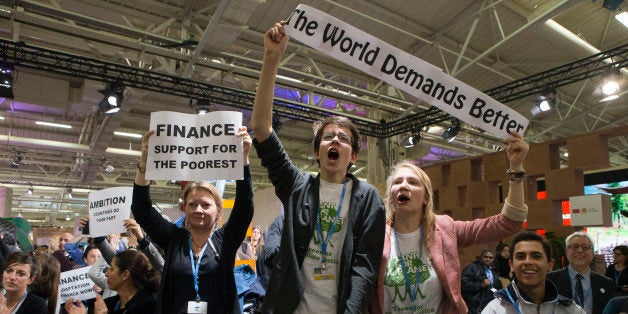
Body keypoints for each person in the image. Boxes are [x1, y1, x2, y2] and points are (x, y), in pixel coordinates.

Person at [251, 21, 386, 313]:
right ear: (316, 152)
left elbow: (364, 266)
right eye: (328, 137)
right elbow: (261, 129)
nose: (335, 140)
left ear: (353, 156)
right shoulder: (297, 187)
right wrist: (272, 58)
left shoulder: (368, 199)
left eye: (343, 138)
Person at [368, 129, 529, 313]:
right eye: (397, 182)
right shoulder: (375, 235)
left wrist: (516, 169)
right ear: (390, 197)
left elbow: (508, 223)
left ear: (426, 198)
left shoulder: (444, 229)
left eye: (413, 182)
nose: (403, 185)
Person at [131, 126, 254, 313]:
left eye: (206, 205)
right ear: (185, 208)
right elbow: (141, 209)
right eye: (192, 204)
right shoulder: (174, 238)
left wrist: (243, 160)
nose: (198, 210)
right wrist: (145, 163)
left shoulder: (225, 240)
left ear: (218, 211)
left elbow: (245, 207)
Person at [482, 231, 585, 313]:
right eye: (521, 257)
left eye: (536, 256)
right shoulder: (494, 310)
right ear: (511, 265)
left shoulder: (572, 310)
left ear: (550, 264)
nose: (527, 262)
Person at [65, 250, 159, 314]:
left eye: (112, 269)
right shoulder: (110, 303)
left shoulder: (149, 307)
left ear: (125, 275)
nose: (106, 273)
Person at [547, 231, 615, 314]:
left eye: (585, 247)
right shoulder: (550, 280)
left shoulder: (606, 283)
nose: (580, 251)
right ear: (567, 252)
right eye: (574, 247)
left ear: (592, 253)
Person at [461, 248, 503, 313]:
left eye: (490, 257)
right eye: (485, 257)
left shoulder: (494, 271)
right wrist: (480, 285)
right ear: (481, 257)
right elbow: (463, 284)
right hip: (475, 307)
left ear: (493, 259)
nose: (488, 259)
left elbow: (498, 287)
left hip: (490, 305)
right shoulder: (472, 267)